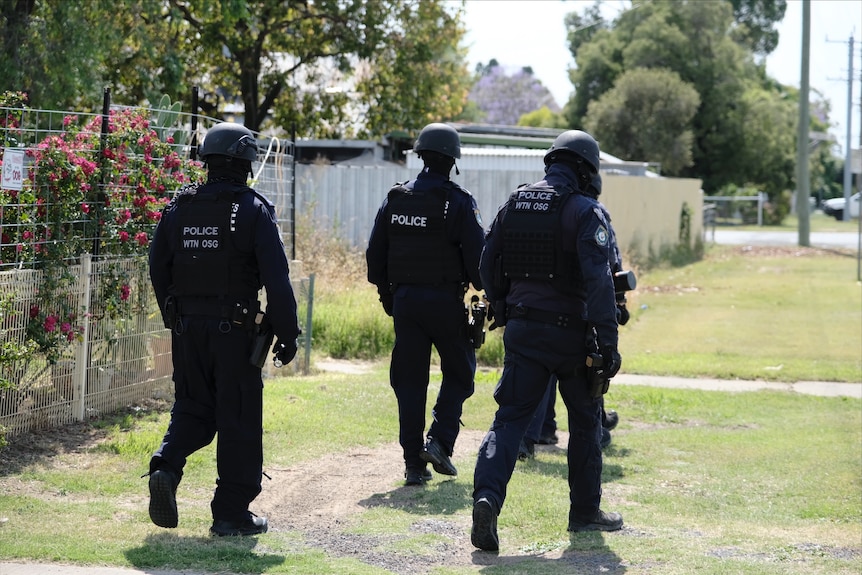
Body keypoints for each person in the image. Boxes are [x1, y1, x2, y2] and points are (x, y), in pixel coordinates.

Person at [471, 130, 623, 552]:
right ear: (585, 169)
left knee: (510, 420)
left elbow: (486, 262)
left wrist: (501, 306)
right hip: (571, 337)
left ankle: (486, 498)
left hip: (522, 330)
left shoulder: (514, 203)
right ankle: (584, 513)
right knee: (585, 420)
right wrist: (607, 343)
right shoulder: (585, 211)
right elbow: (598, 281)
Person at [146, 122, 301, 537]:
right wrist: (288, 334)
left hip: (185, 329)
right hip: (234, 333)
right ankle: (231, 513)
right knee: (238, 417)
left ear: (208, 161)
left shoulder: (178, 208)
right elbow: (277, 280)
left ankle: (166, 465)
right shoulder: (252, 210)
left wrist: (173, 315)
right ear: (246, 161)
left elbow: (157, 266)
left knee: (194, 406)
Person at [366, 123, 485, 487]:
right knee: (461, 372)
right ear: (452, 161)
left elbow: (375, 257)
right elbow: (478, 263)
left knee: (410, 381)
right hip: (445, 303)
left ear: (420, 155)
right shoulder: (459, 202)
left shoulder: (396, 198)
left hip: (405, 303)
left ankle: (412, 465)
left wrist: (390, 297)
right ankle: (439, 441)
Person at [519, 174, 628, 459]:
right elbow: (609, 267)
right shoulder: (592, 212)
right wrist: (616, 306)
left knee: (541, 376)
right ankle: (596, 428)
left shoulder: (535, 206)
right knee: (589, 371)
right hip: (575, 313)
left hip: (528, 311)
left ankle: (539, 430)